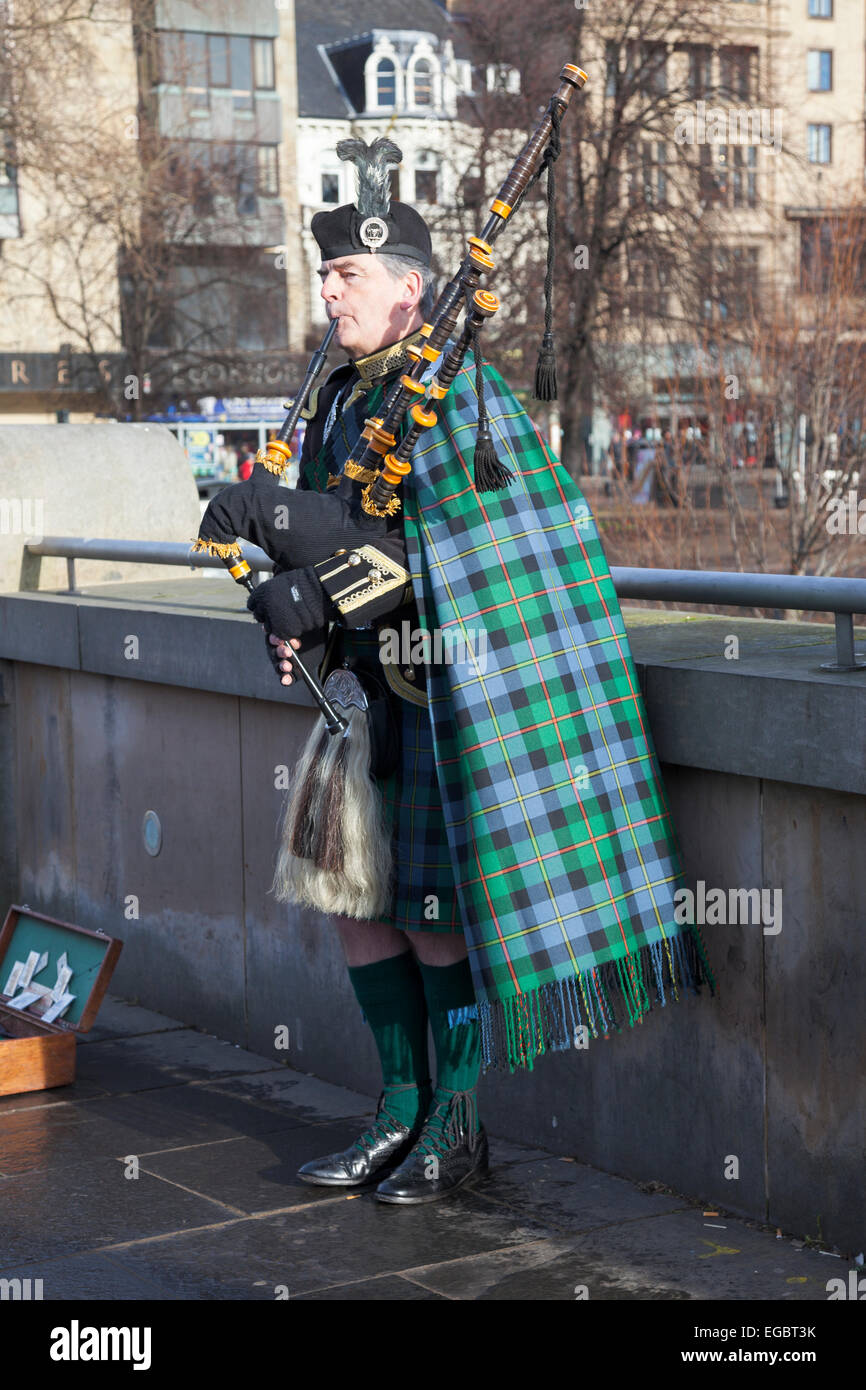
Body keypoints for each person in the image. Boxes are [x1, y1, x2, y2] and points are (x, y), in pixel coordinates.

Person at [199, 137, 715, 1207]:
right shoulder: (343, 398)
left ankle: (456, 1125)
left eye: (349, 274)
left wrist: (303, 539)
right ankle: (394, 1109)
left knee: (433, 919)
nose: (330, 289)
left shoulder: (460, 399)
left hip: (439, 700)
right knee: (354, 904)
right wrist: (286, 597)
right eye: (327, 272)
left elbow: (459, 560)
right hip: (357, 702)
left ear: (409, 290)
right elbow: (348, 543)